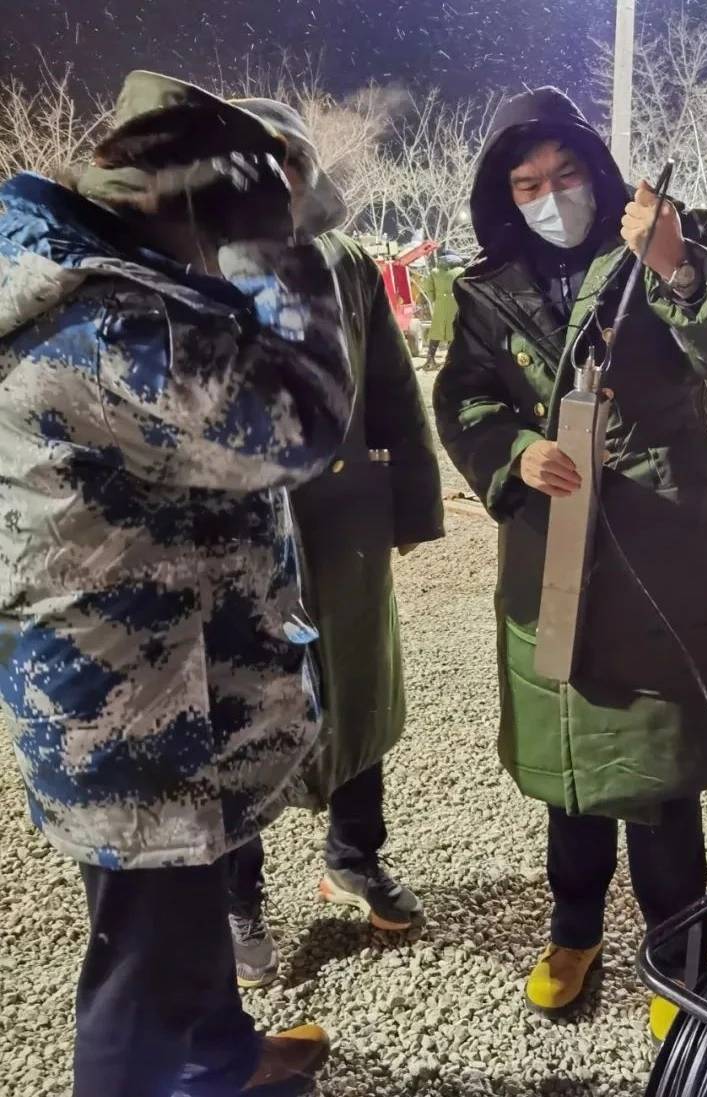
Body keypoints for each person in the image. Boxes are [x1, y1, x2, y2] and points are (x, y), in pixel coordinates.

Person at [0, 71, 355, 1097]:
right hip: (138, 716)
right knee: (139, 982)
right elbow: (300, 420)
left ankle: (221, 1059)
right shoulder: (107, 320)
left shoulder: (96, 276)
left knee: (182, 922)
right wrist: (280, 251)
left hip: (162, 692)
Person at [433, 87, 707, 1043]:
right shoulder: (483, 288)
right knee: (568, 766)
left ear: (598, 176)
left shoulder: (660, 251)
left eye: (564, 174)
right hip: (550, 552)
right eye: (526, 182)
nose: (548, 194)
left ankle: (678, 955)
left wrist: (676, 262)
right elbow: (465, 399)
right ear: (503, 193)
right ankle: (574, 931)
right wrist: (513, 453)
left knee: (658, 775)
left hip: (663, 552)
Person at [222, 98, 445, 988]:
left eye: (286, 158)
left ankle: (354, 854)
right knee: (234, 709)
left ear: (308, 170)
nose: (271, 174)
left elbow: (392, 382)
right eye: (250, 157)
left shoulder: (347, 263)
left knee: (357, 687)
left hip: (344, 518)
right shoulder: (188, 263)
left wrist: (415, 503)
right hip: (234, 530)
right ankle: (237, 898)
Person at [422, 251, 466, 370]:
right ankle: (449, 360)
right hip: (455, 303)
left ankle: (430, 359)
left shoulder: (434, 272)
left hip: (440, 304)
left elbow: (428, 287)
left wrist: (434, 300)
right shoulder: (461, 271)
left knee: (436, 331)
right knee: (453, 331)